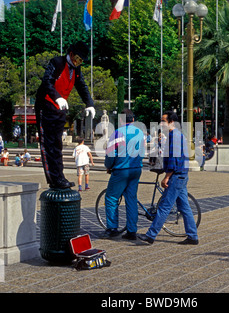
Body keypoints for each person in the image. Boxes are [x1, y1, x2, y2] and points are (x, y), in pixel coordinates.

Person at [35, 41, 95, 189]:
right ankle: (53, 179)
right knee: (48, 145)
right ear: (71, 54)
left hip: (60, 108)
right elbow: (46, 82)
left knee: (57, 144)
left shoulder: (76, 69)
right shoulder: (56, 62)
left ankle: (59, 177)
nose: (79, 62)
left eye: (81, 61)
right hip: (46, 105)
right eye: (78, 59)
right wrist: (57, 96)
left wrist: (90, 104)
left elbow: (82, 86)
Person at [138, 111, 199, 245]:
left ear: (171, 122)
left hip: (177, 176)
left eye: (163, 121)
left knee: (164, 206)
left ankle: (151, 235)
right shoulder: (176, 135)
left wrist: (167, 177)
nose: (161, 123)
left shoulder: (174, 136)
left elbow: (174, 159)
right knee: (184, 207)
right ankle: (193, 236)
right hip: (182, 175)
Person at [103, 109, 144, 240]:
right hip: (136, 168)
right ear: (133, 120)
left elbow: (111, 154)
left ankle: (112, 228)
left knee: (111, 197)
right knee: (131, 199)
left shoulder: (117, 133)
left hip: (121, 169)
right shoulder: (140, 132)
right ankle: (132, 231)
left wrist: (109, 166)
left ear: (121, 120)